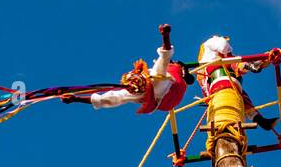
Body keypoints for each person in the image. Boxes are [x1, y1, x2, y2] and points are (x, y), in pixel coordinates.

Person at [62, 24, 193, 114]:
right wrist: (166, 35)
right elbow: (165, 55)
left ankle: (181, 70)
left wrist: (76, 98)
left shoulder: (140, 86)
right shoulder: (149, 82)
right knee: (164, 67)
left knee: (166, 66)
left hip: (170, 94)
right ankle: (180, 70)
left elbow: (104, 100)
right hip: (168, 96)